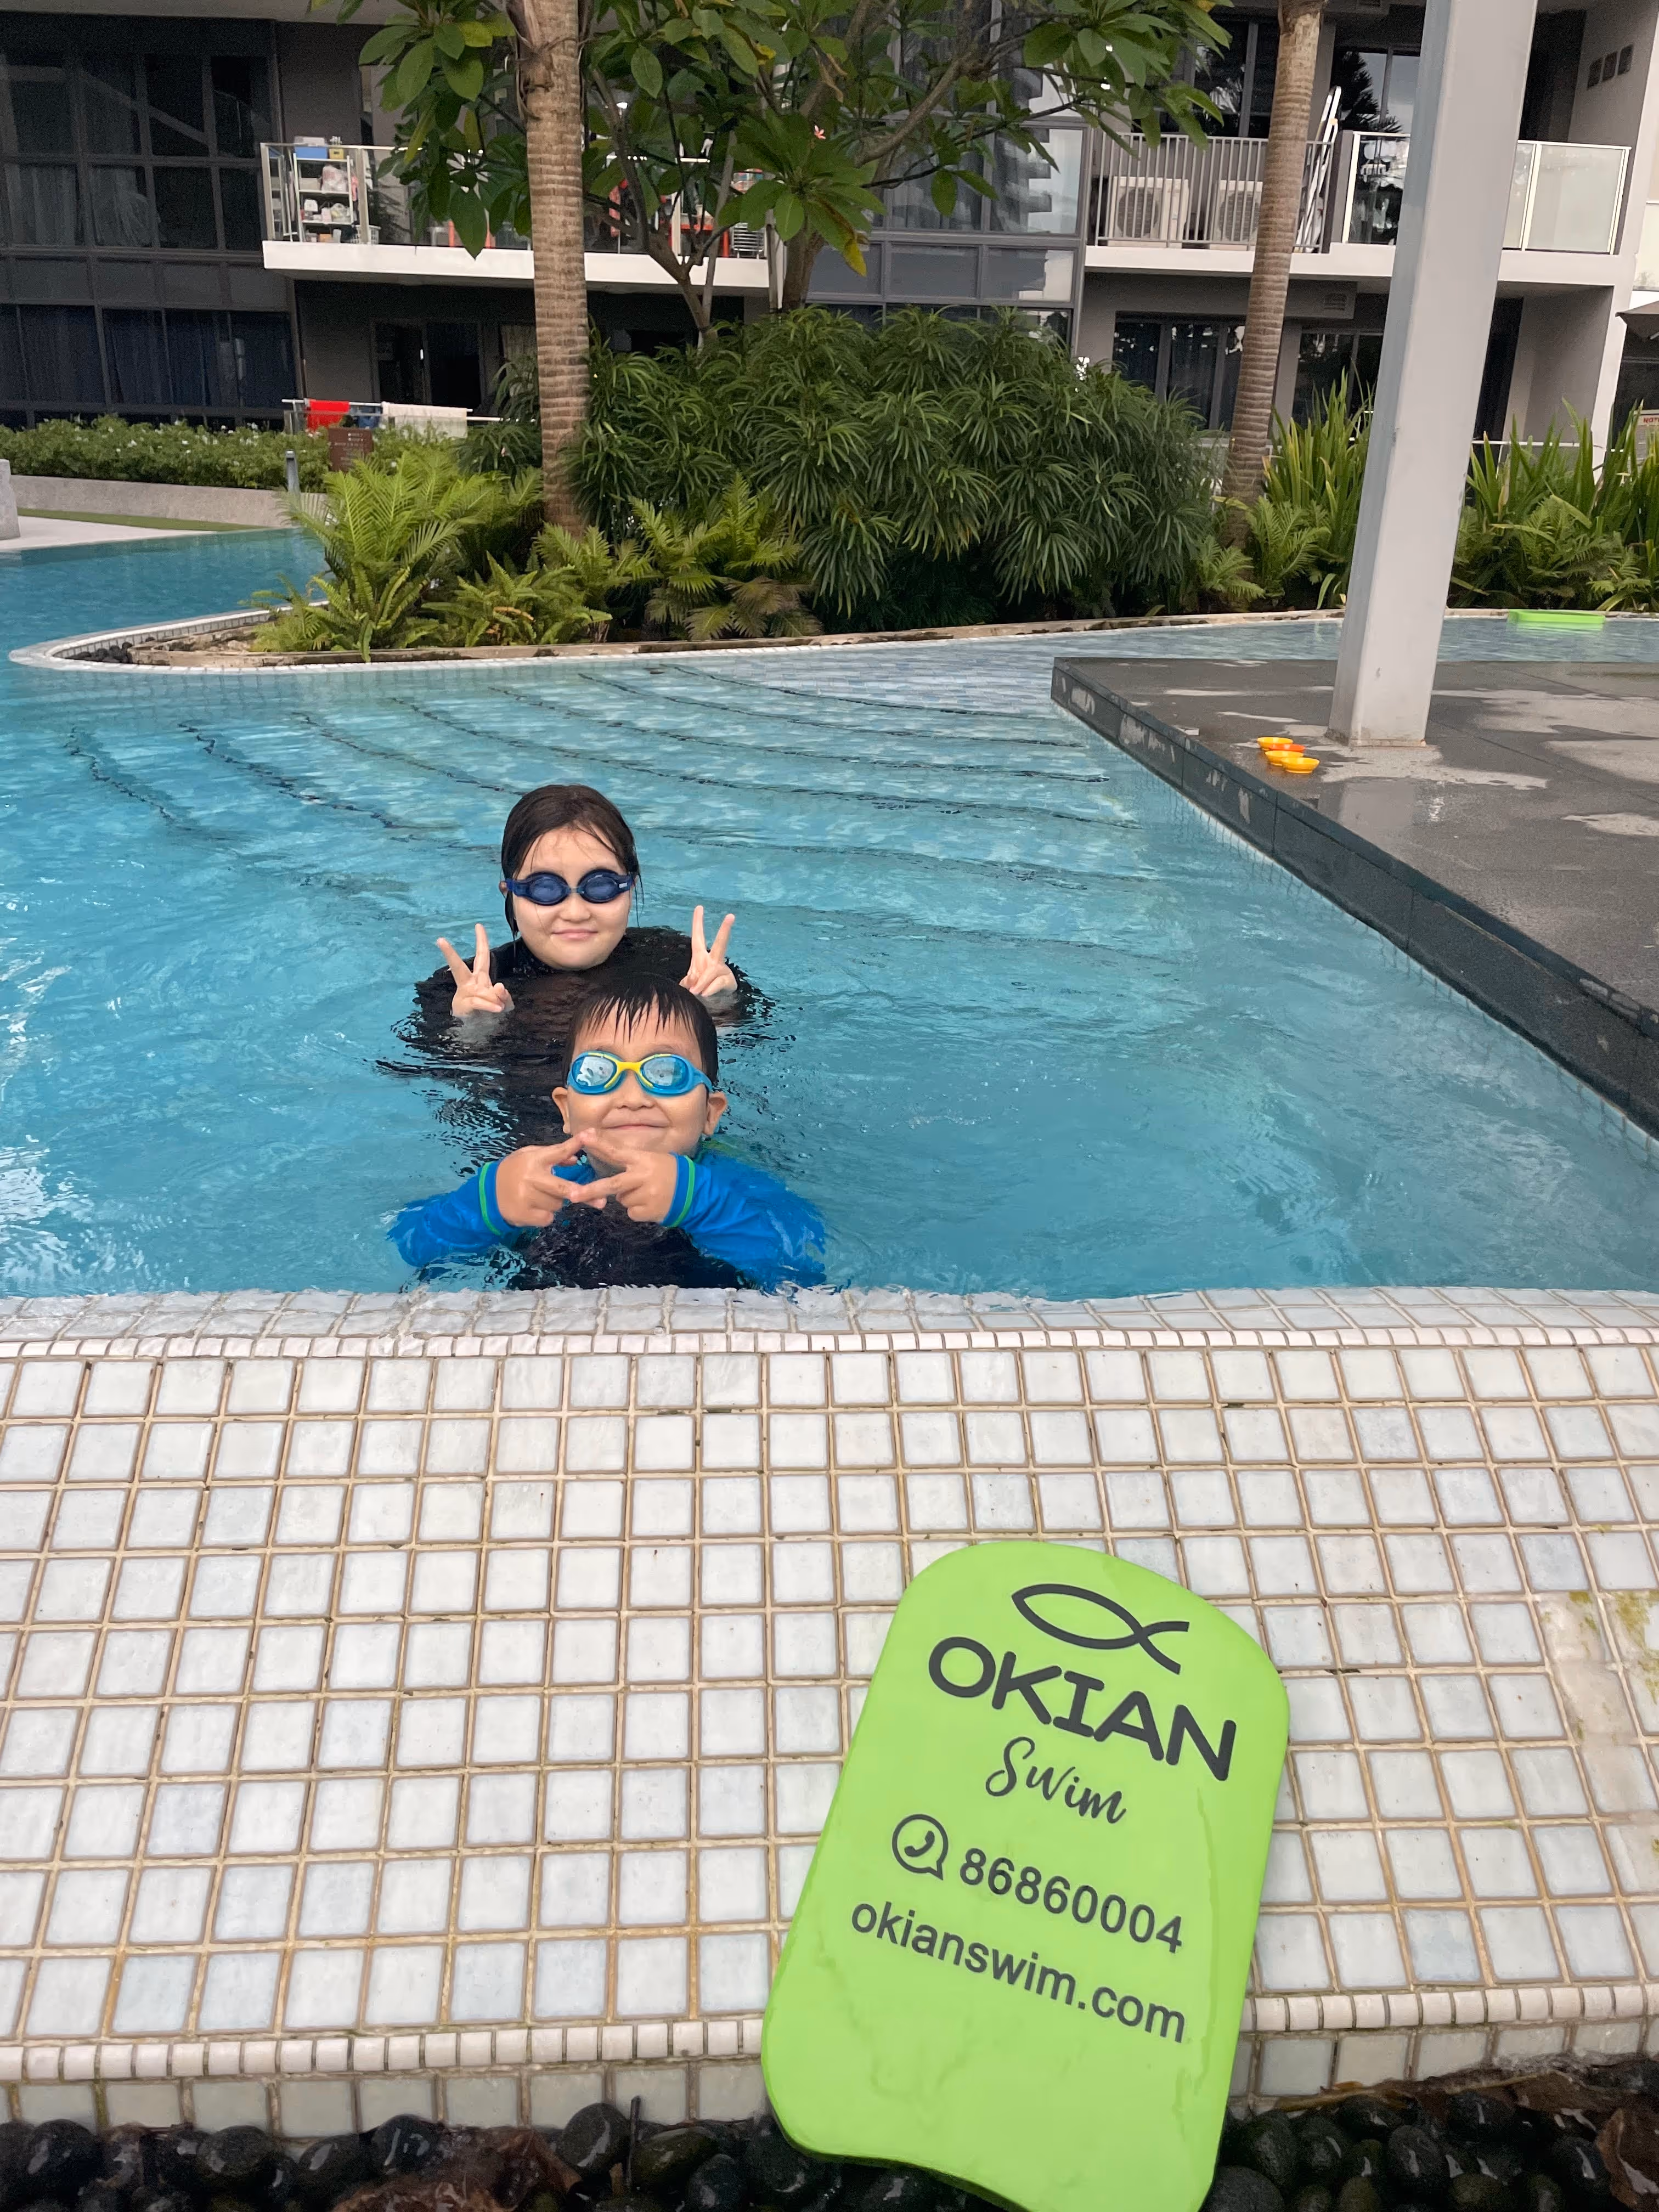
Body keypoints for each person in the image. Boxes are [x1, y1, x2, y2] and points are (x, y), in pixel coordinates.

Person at [394, 782, 762, 1151]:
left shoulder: (679, 962)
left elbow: (742, 1053)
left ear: (630, 886)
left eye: (601, 886)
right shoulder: (459, 990)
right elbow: (445, 1083)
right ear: (511, 892)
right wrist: (474, 1032)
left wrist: (718, 1009)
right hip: (540, 1158)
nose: (575, 912)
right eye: (545, 888)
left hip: (678, 1156)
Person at [392, 978, 823, 1293]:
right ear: (566, 1109)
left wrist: (703, 1205)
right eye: (598, 1072)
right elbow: (413, 1245)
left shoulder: (731, 1190)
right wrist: (485, 1202)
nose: (632, 1097)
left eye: (666, 1072)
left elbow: (801, 1268)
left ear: (710, 1114)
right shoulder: (546, 1185)